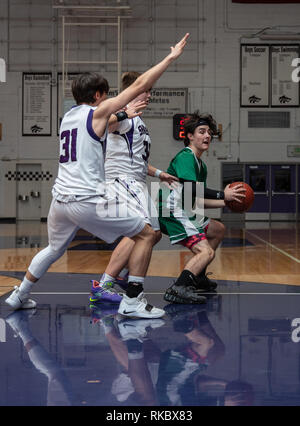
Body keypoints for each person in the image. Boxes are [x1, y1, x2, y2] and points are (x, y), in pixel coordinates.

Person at [5, 33, 190, 319]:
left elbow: (112, 122)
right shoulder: (99, 111)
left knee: (53, 248)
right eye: (106, 95)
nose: (108, 99)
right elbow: (140, 85)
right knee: (146, 234)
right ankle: (132, 300)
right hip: (86, 199)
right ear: (98, 96)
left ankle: (19, 295)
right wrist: (170, 57)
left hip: (60, 201)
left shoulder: (69, 117)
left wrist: (126, 115)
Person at [89, 71, 179, 304]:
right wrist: (121, 114)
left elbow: (139, 161)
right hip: (122, 181)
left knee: (154, 234)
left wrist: (160, 174)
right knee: (141, 232)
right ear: (137, 90)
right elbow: (98, 126)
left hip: (136, 182)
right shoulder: (124, 116)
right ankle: (107, 283)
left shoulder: (138, 121)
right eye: (147, 90)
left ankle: (121, 274)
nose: (150, 95)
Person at [158, 111, 246, 304]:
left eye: (209, 133)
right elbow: (192, 189)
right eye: (201, 131)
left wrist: (227, 202)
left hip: (184, 209)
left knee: (217, 229)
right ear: (190, 136)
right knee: (206, 251)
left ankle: (197, 277)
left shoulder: (201, 166)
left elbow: (196, 198)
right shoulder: (185, 156)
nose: (207, 136)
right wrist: (223, 194)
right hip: (171, 210)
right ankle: (179, 287)